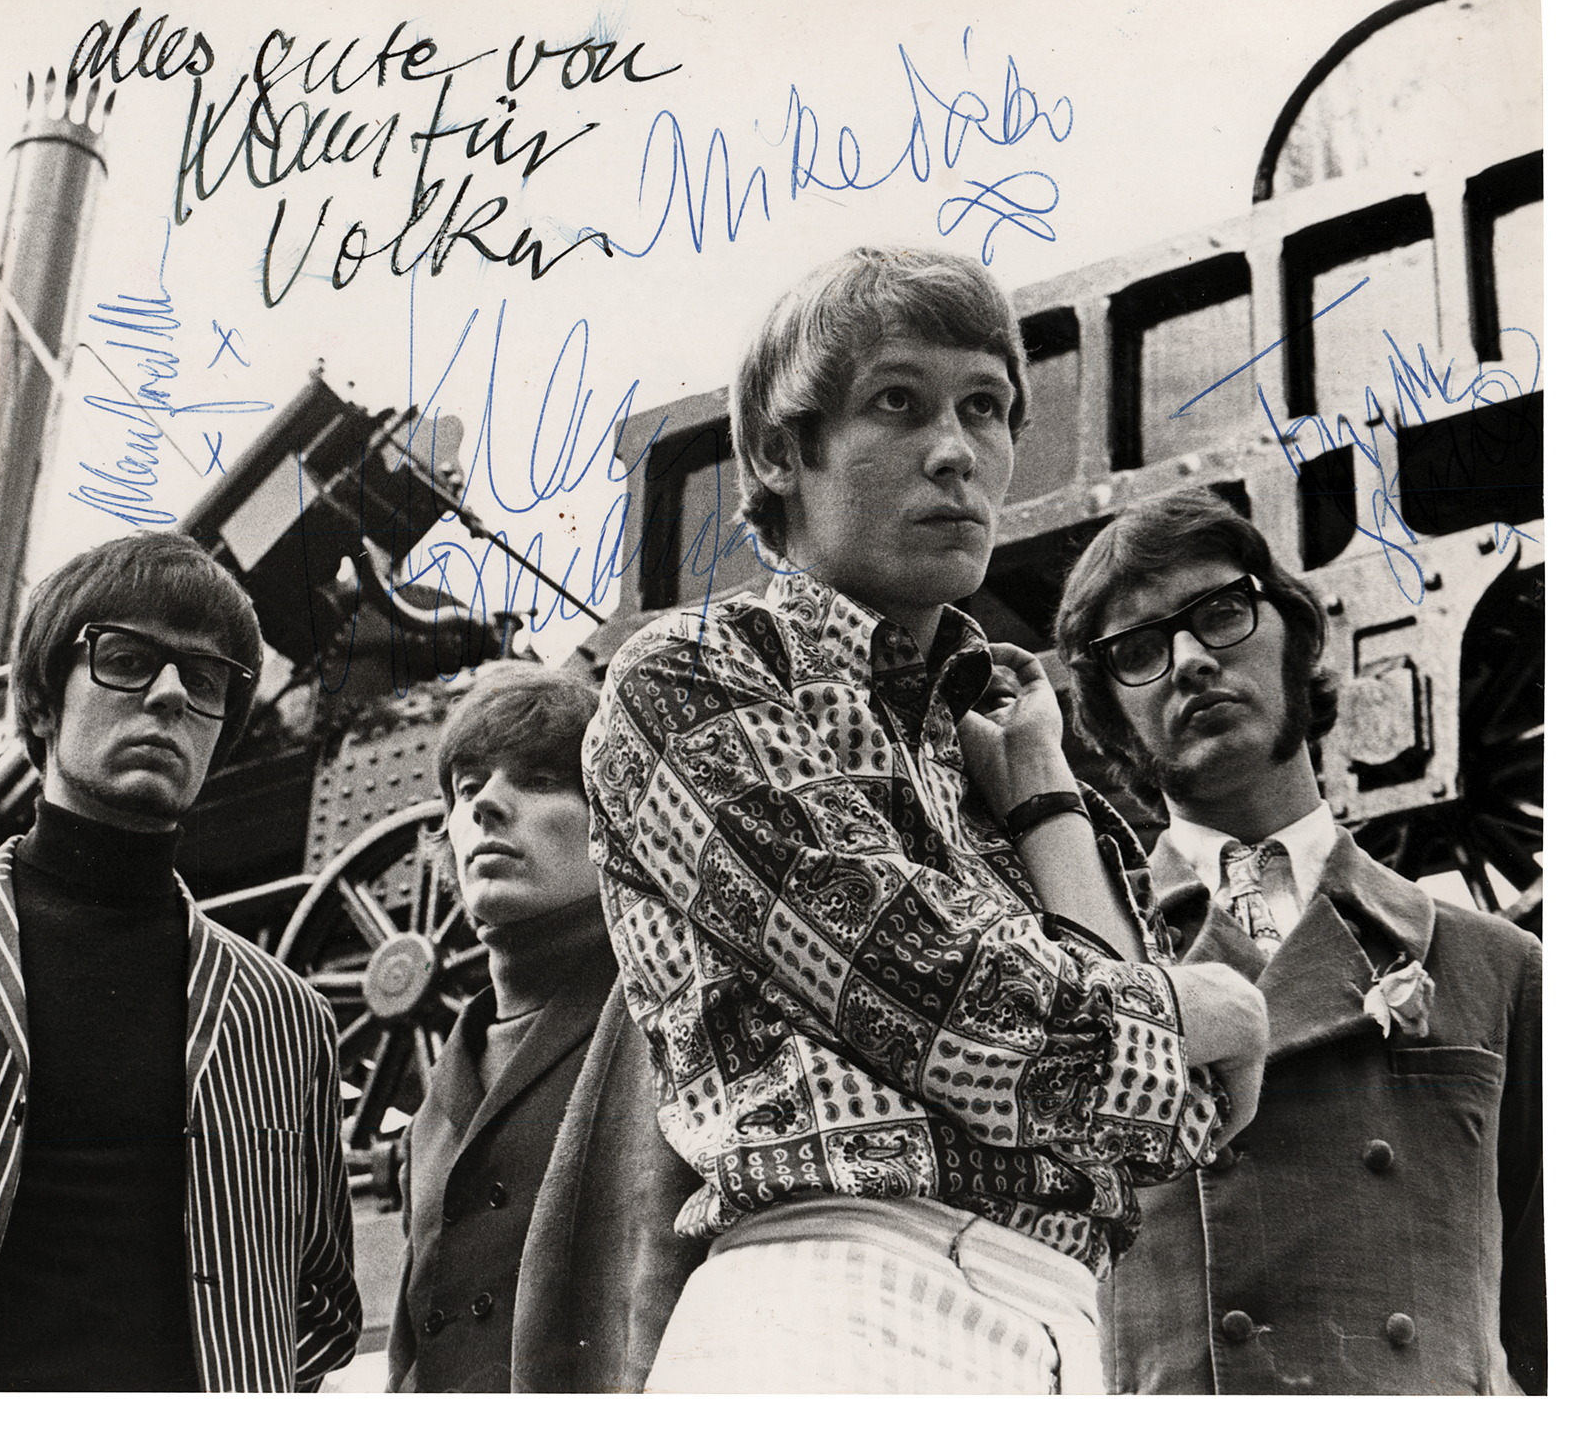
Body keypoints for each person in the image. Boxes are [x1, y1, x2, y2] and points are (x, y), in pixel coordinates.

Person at [582, 246, 1270, 1394]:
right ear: (779, 453)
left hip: (1060, 1333)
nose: (955, 451)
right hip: (832, 1293)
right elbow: (926, 988)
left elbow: (1173, 1126)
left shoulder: (1007, 751)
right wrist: (1204, 1006)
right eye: (897, 402)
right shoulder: (694, 675)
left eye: (984, 408)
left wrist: (1043, 794)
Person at [1053, 488, 1543, 1395]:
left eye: (1220, 612)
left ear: (1298, 638)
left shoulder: (1501, 969)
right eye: (1139, 650)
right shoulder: (1073, 966)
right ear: (1110, 715)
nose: (1191, 660)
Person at [0, 533, 360, 1391]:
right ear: (42, 703)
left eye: (207, 679)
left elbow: (322, 1303)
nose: (172, 693)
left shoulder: (288, 1017)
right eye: (127, 659)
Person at [387, 662, 708, 1392]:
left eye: (537, 780)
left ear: (617, 815)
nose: (485, 805)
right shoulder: (434, 1104)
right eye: (466, 787)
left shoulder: (673, 1018)